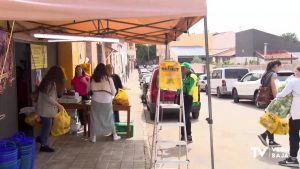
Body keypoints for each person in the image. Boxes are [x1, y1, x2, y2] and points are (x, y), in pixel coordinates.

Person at [90, 63, 121, 142]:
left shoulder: (92, 78)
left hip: (95, 101)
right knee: (110, 118)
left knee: (94, 118)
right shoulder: (108, 79)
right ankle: (114, 135)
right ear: (105, 70)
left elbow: (88, 90)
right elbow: (114, 92)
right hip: (107, 102)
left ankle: (93, 137)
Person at [37, 66, 65, 152]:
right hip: (46, 110)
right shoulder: (50, 83)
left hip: (43, 109)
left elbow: (49, 96)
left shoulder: (47, 81)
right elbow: (48, 97)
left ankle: (41, 138)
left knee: (46, 126)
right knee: (47, 126)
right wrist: (58, 105)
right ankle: (43, 145)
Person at [278, 65, 300, 167]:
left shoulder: (294, 82)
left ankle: (293, 158)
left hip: (297, 113)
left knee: (294, 135)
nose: (294, 74)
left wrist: (276, 97)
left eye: (295, 72)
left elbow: (283, 94)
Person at [258, 60, 282, 147]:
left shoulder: (265, 73)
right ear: (276, 66)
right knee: (275, 120)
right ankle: (263, 135)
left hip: (264, 99)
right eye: (280, 66)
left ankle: (271, 141)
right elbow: (274, 88)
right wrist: (276, 99)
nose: (280, 68)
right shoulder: (273, 74)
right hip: (271, 99)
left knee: (271, 120)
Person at [180, 62, 198, 143]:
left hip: (189, 98)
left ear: (188, 68)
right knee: (183, 117)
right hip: (185, 98)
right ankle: (184, 135)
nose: (182, 70)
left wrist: (180, 87)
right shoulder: (187, 77)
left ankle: (188, 135)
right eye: (181, 68)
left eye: (183, 68)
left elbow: (186, 88)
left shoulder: (192, 76)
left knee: (186, 117)